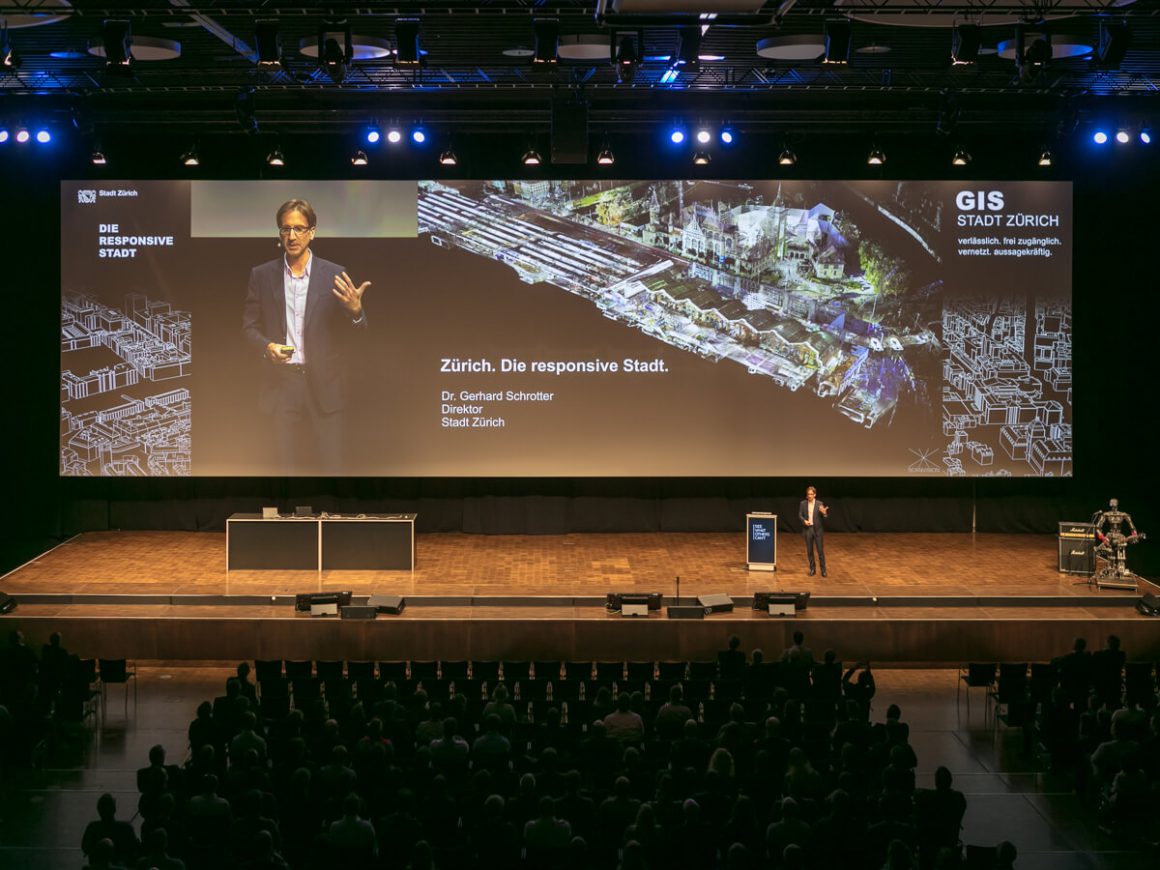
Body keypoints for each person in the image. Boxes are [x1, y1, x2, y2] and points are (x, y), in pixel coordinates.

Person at [242, 198, 371, 474]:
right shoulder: (262, 275)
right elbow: (249, 328)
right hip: (281, 385)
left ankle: (329, 518)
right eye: (285, 229)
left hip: (325, 384)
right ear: (279, 233)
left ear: (312, 231)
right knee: (284, 469)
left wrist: (356, 312)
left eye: (299, 229)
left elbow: (357, 335)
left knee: (331, 467)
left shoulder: (335, 274)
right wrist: (268, 347)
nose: (292, 236)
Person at [798, 486, 829, 576]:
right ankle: (812, 569)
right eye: (808, 494)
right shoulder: (803, 503)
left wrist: (824, 513)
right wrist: (804, 521)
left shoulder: (820, 503)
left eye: (811, 494)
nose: (810, 496)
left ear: (815, 495)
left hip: (818, 530)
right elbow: (799, 515)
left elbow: (825, 516)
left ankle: (823, 570)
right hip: (808, 530)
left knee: (820, 551)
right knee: (809, 551)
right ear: (807, 495)